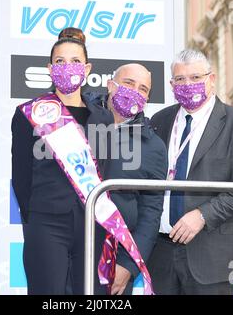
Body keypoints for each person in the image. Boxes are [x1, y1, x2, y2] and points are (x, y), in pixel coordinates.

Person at [147, 49, 233, 295]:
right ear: (171, 84)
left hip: (212, 255)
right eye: (180, 79)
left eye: (195, 78)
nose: (187, 85)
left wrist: (202, 215)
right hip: (161, 255)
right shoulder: (159, 121)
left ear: (211, 79)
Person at [11, 27, 114, 295]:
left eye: (76, 61)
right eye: (60, 62)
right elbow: (21, 175)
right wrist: (34, 217)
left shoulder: (103, 118)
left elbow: (105, 171)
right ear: (49, 68)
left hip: (90, 223)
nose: (68, 67)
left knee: (88, 292)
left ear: (88, 68)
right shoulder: (29, 114)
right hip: (46, 222)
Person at [93, 63, 168, 295]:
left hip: (114, 259)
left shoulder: (153, 146)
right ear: (110, 85)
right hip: (66, 251)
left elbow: (150, 214)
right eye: (128, 83)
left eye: (143, 88)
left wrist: (128, 265)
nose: (135, 91)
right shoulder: (78, 121)